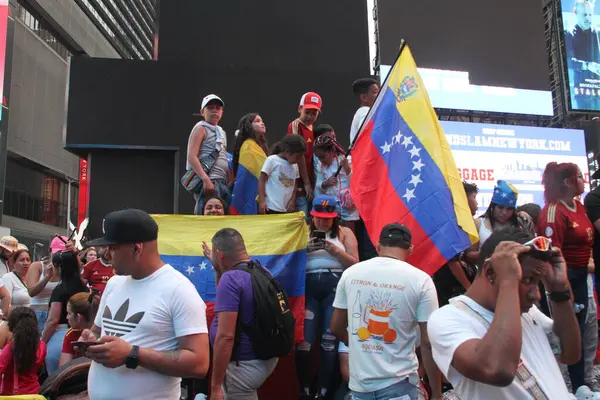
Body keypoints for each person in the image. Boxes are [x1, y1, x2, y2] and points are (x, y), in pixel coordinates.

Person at [428, 229, 580, 399]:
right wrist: (509, 281)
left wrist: (560, 293)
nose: (536, 294)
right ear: (491, 272)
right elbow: (497, 369)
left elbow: (570, 354)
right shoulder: (447, 319)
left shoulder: (528, 313)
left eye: (539, 283)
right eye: (528, 280)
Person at [81, 208, 209, 400]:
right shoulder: (114, 284)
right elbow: (98, 331)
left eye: (113, 247)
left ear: (136, 248)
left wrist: (132, 354)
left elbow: (199, 363)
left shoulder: (179, 290)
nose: (107, 255)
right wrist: (89, 340)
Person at [331, 223, 441, 400]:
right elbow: (428, 342)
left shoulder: (351, 274)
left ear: (378, 246)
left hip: (360, 387)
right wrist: (436, 393)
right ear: (411, 249)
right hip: (400, 383)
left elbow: (336, 327)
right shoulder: (422, 280)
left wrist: (362, 345)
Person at [538, 162, 594, 394]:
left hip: (581, 278)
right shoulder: (553, 211)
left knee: (580, 333)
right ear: (568, 182)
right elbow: (552, 255)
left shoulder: (579, 207)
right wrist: (563, 290)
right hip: (563, 279)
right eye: (580, 177)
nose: (583, 180)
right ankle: (559, 389)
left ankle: (580, 385)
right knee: (563, 334)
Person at [297, 195, 358, 400]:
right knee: (305, 341)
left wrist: (335, 252)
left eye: (327, 218)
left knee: (329, 341)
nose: (323, 222)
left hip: (335, 289)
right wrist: (304, 250)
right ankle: (304, 389)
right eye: (319, 218)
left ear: (334, 217)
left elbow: (356, 265)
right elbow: (286, 258)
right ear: (312, 216)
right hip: (308, 287)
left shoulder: (344, 232)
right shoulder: (301, 229)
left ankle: (323, 392)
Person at [209, 228, 279, 400]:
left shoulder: (231, 279)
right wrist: (218, 269)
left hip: (243, 365)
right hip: (264, 358)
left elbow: (225, 336)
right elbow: (225, 299)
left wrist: (216, 386)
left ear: (220, 254)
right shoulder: (261, 270)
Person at [433, 181, 480, 306]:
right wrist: (468, 288)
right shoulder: (452, 223)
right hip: (451, 286)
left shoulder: (465, 223)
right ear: (463, 199)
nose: (477, 203)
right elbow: (452, 260)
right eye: (474, 198)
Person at [42, 249, 88, 374]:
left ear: (59, 267)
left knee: (56, 379)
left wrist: (42, 342)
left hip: (60, 335)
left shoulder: (60, 289)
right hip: (85, 335)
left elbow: (53, 320)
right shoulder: (85, 287)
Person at [186, 94, 231, 215]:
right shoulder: (201, 128)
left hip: (222, 181)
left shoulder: (221, 132)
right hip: (210, 180)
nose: (214, 111)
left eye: (218, 108)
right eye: (210, 108)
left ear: (222, 112)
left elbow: (223, 156)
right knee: (206, 216)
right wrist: (205, 179)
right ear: (202, 112)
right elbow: (192, 157)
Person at [313, 135, 358, 232]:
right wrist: (325, 183)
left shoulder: (348, 160)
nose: (321, 160)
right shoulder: (320, 165)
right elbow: (318, 185)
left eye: (323, 156)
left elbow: (357, 183)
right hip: (331, 206)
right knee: (333, 232)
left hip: (347, 206)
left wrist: (347, 169)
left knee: (349, 231)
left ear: (332, 151)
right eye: (318, 157)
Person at [287, 92, 321, 216]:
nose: (310, 116)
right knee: (302, 216)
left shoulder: (313, 128)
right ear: (299, 108)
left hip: (312, 180)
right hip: (299, 183)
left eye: (314, 113)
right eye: (307, 112)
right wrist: (306, 182)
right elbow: (298, 154)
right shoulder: (295, 125)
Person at [475, 180, 534, 249]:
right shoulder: (479, 223)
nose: (504, 212)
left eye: (509, 209)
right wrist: (489, 252)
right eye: (500, 207)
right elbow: (468, 254)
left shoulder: (522, 222)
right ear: (493, 206)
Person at [0, 307, 46, 395]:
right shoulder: (42, 346)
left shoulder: (10, 348)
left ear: (12, 327)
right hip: (34, 392)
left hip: (11, 394)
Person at [230, 113, 269, 215]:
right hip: (252, 192)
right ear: (248, 126)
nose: (262, 123)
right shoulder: (248, 146)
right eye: (257, 121)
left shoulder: (259, 146)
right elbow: (247, 177)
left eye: (262, 121)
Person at [565, 0, 600, 111]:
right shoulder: (569, 33)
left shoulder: (598, 33)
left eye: (590, 15)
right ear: (575, 12)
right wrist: (586, 65)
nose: (588, 18)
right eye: (585, 14)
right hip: (582, 91)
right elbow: (567, 61)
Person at [258, 135, 305, 214]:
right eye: (298, 157)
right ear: (287, 152)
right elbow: (262, 180)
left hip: (286, 209)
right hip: (270, 207)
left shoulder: (295, 165)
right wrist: (262, 201)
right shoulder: (272, 160)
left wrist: (292, 201)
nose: (299, 160)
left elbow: (294, 184)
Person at [27, 237, 64, 333]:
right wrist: (47, 277)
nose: (58, 256)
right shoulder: (37, 266)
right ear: (50, 251)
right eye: (56, 253)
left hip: (57, 314)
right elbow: (31, 292)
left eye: (62, 254)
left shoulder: (66, 269)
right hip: (38, 313)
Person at [59, 292, 98, 367]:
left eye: (69, 313)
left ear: (78, 317)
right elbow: (63, 367)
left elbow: (63, 369)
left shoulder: (72, 334)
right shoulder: (71, 333)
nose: (67, 317)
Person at [349, 77, 379, 144]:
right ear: (364, 97)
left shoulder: (361, 112)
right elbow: (368, 136)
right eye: (375, 92)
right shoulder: (366, 112)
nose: (379, 95)